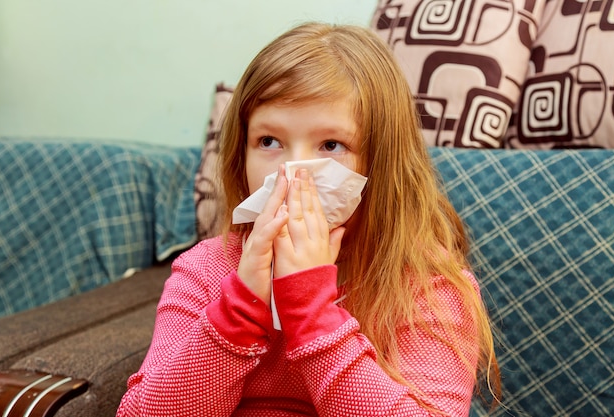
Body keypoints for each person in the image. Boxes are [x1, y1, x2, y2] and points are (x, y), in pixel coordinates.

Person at [116, 22, 501, 416]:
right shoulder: (204, 271)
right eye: (269, 142)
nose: (293, 173)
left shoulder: (427, 290)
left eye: (331, 145)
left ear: (380, 164)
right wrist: (237, 311)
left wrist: (312, 312)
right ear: (240, 155)